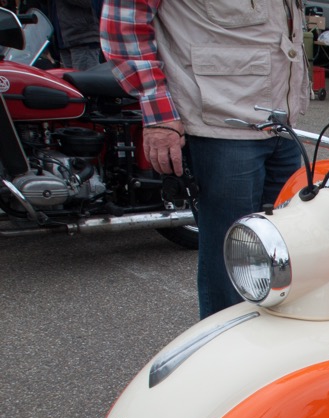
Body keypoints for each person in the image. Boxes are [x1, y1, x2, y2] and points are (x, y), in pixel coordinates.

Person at [100, 0, 310, 319]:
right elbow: (122, 28)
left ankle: (270, 360)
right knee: (232, 262)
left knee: (283, 256)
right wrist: (159, 116)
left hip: (280, 123)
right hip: (220, 124)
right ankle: (226, 359)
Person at [53, 0, 102, 70]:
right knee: (68, 80)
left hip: (82, 38)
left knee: (85, 79)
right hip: (63, 40)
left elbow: (88, 2)